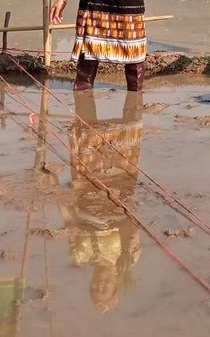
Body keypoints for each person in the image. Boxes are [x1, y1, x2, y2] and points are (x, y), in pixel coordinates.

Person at [61, 90, 145, 313]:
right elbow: (131, 221)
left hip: (85, 196)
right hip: (116, 198)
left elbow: (70, 224)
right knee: (124, 140)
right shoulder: (127, 259)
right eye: (104, 287)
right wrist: (126, 248)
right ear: (115, 284)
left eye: (95, 288)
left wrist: (58, 195)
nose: (99, 283)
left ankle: (85, 109)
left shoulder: (80, 256)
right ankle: (132, 106)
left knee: (84, 139)